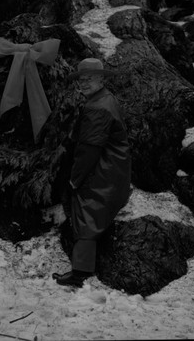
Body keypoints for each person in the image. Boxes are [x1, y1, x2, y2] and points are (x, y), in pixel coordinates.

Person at [53, 57, 131, 287]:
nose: (83, 84)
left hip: (104, 170)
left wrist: (75, 180)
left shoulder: (97, 107)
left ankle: (80, 272)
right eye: (81, 79)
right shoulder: (105, 98)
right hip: (114, 167)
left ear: (101, 79)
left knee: (86, 213)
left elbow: (89, 150)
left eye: (89, 79)